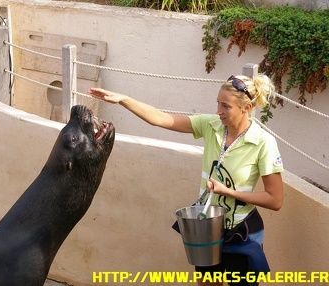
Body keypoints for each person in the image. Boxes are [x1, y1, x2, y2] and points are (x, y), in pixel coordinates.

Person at [88, 74, 284, 286]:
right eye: (218, 103)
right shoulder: (211, 125)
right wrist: (124, 99)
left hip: (241, 232)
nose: (218, 111)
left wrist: (227, 192)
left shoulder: (264, 142)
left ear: (245, 108)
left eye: (226, 106)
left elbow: (275, 200)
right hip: (207, 227)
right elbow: (161, 119)